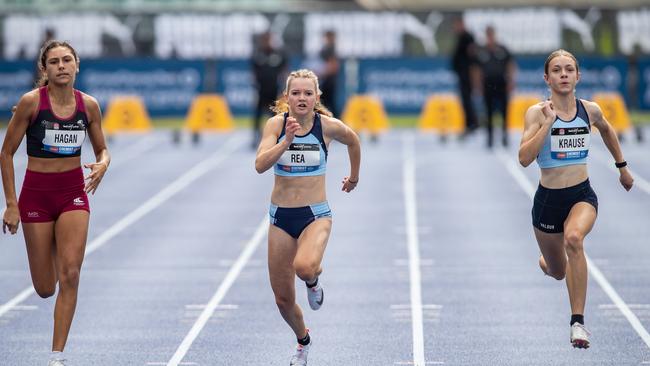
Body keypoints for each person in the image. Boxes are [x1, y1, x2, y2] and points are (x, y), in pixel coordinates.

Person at [1, 40, 110, 366]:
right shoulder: (31, 104)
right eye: (54, 62)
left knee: (72, 273)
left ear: (76, 65)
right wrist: (11, 204)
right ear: (44, 70)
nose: (61, 66)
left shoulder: (88, 106)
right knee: (46, 287)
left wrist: (103, 162)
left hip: (72, 194)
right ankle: (50, 244)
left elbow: (102, 149)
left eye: (66, 60)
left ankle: (56, 357)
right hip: (36, 195)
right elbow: (6, 153)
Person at [518, 49, 633, 349]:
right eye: (557, 70)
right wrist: (547, 124)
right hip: (547, 203)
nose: (564, 74)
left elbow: (608, 131)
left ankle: (577, 323)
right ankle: (549, 261)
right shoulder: (535, 113)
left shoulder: (590, 110)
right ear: (547, 78)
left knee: (574, 239)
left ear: (578, 76)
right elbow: (523, 159)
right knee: (557, 271)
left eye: (569, 69)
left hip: (582, 195)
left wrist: (622, 168)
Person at [254, 69, 360, 365]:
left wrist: (354, 177)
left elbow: (353, 141)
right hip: (280, 218)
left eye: (308, 93)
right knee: (283, 300)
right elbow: (260, 165)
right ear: (287, 97)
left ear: (317, 97)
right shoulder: (276, 125)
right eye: (296, 93)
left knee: (304, 266)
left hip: (316, 214)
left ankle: (313, 282)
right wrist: (285, 141)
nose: (302, 98)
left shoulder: (327, 127)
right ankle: (303, 341)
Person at [476, 25, 516, 148]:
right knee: (488, 112)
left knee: (504, 111)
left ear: (494, 35)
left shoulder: (502, 49)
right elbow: (477, 70)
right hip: (487, 85)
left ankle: (504, 135)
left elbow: (510, 65)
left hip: (501, 84)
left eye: (491, 34)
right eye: (488, 35)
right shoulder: (482, 51)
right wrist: (478, 86)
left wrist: (511, 81)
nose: (490, 37)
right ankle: (490, 138)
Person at [251, 31, 287, 148]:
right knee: (258, 113)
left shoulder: (278, 54)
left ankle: (276, 136)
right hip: (261, 89)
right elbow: (253, 71)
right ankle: (256, 136)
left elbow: (284, 69)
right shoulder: (257, 54)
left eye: (268, 39)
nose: (267, 42)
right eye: (264, 40)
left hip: (274, 89)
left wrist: (283, 87)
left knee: (275, 114)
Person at [451, 17, 479, 136]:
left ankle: (472, 124)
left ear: (461, 24)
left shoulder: (467, 37)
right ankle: (469, 123)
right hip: (462, 73)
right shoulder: (461, 37)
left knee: (467, 99)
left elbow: (472, 56)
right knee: (465, 100)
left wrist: (472, 75)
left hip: (467, 74)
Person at [318, 30, 340, 118]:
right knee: (326, 103)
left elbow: (334, 67)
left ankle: (335, 122)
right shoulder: (329, 48)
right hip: (328, 79)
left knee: (326, 103)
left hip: (329, 80)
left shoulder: (331, 49)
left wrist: (322, 73)